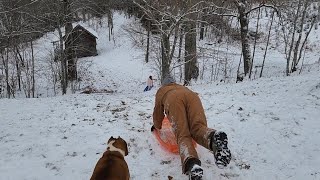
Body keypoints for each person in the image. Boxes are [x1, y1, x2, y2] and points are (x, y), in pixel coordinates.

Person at [151, 75, 231, 180]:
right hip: (193, 97)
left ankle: (192, 164)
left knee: (183, 134)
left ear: (164, 84)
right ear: (174, 82)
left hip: (173, 100)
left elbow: (158, 113)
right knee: (198, 127)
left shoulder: (162, 91)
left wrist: (157, 126)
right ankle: (213, 137)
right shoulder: (181, 87)